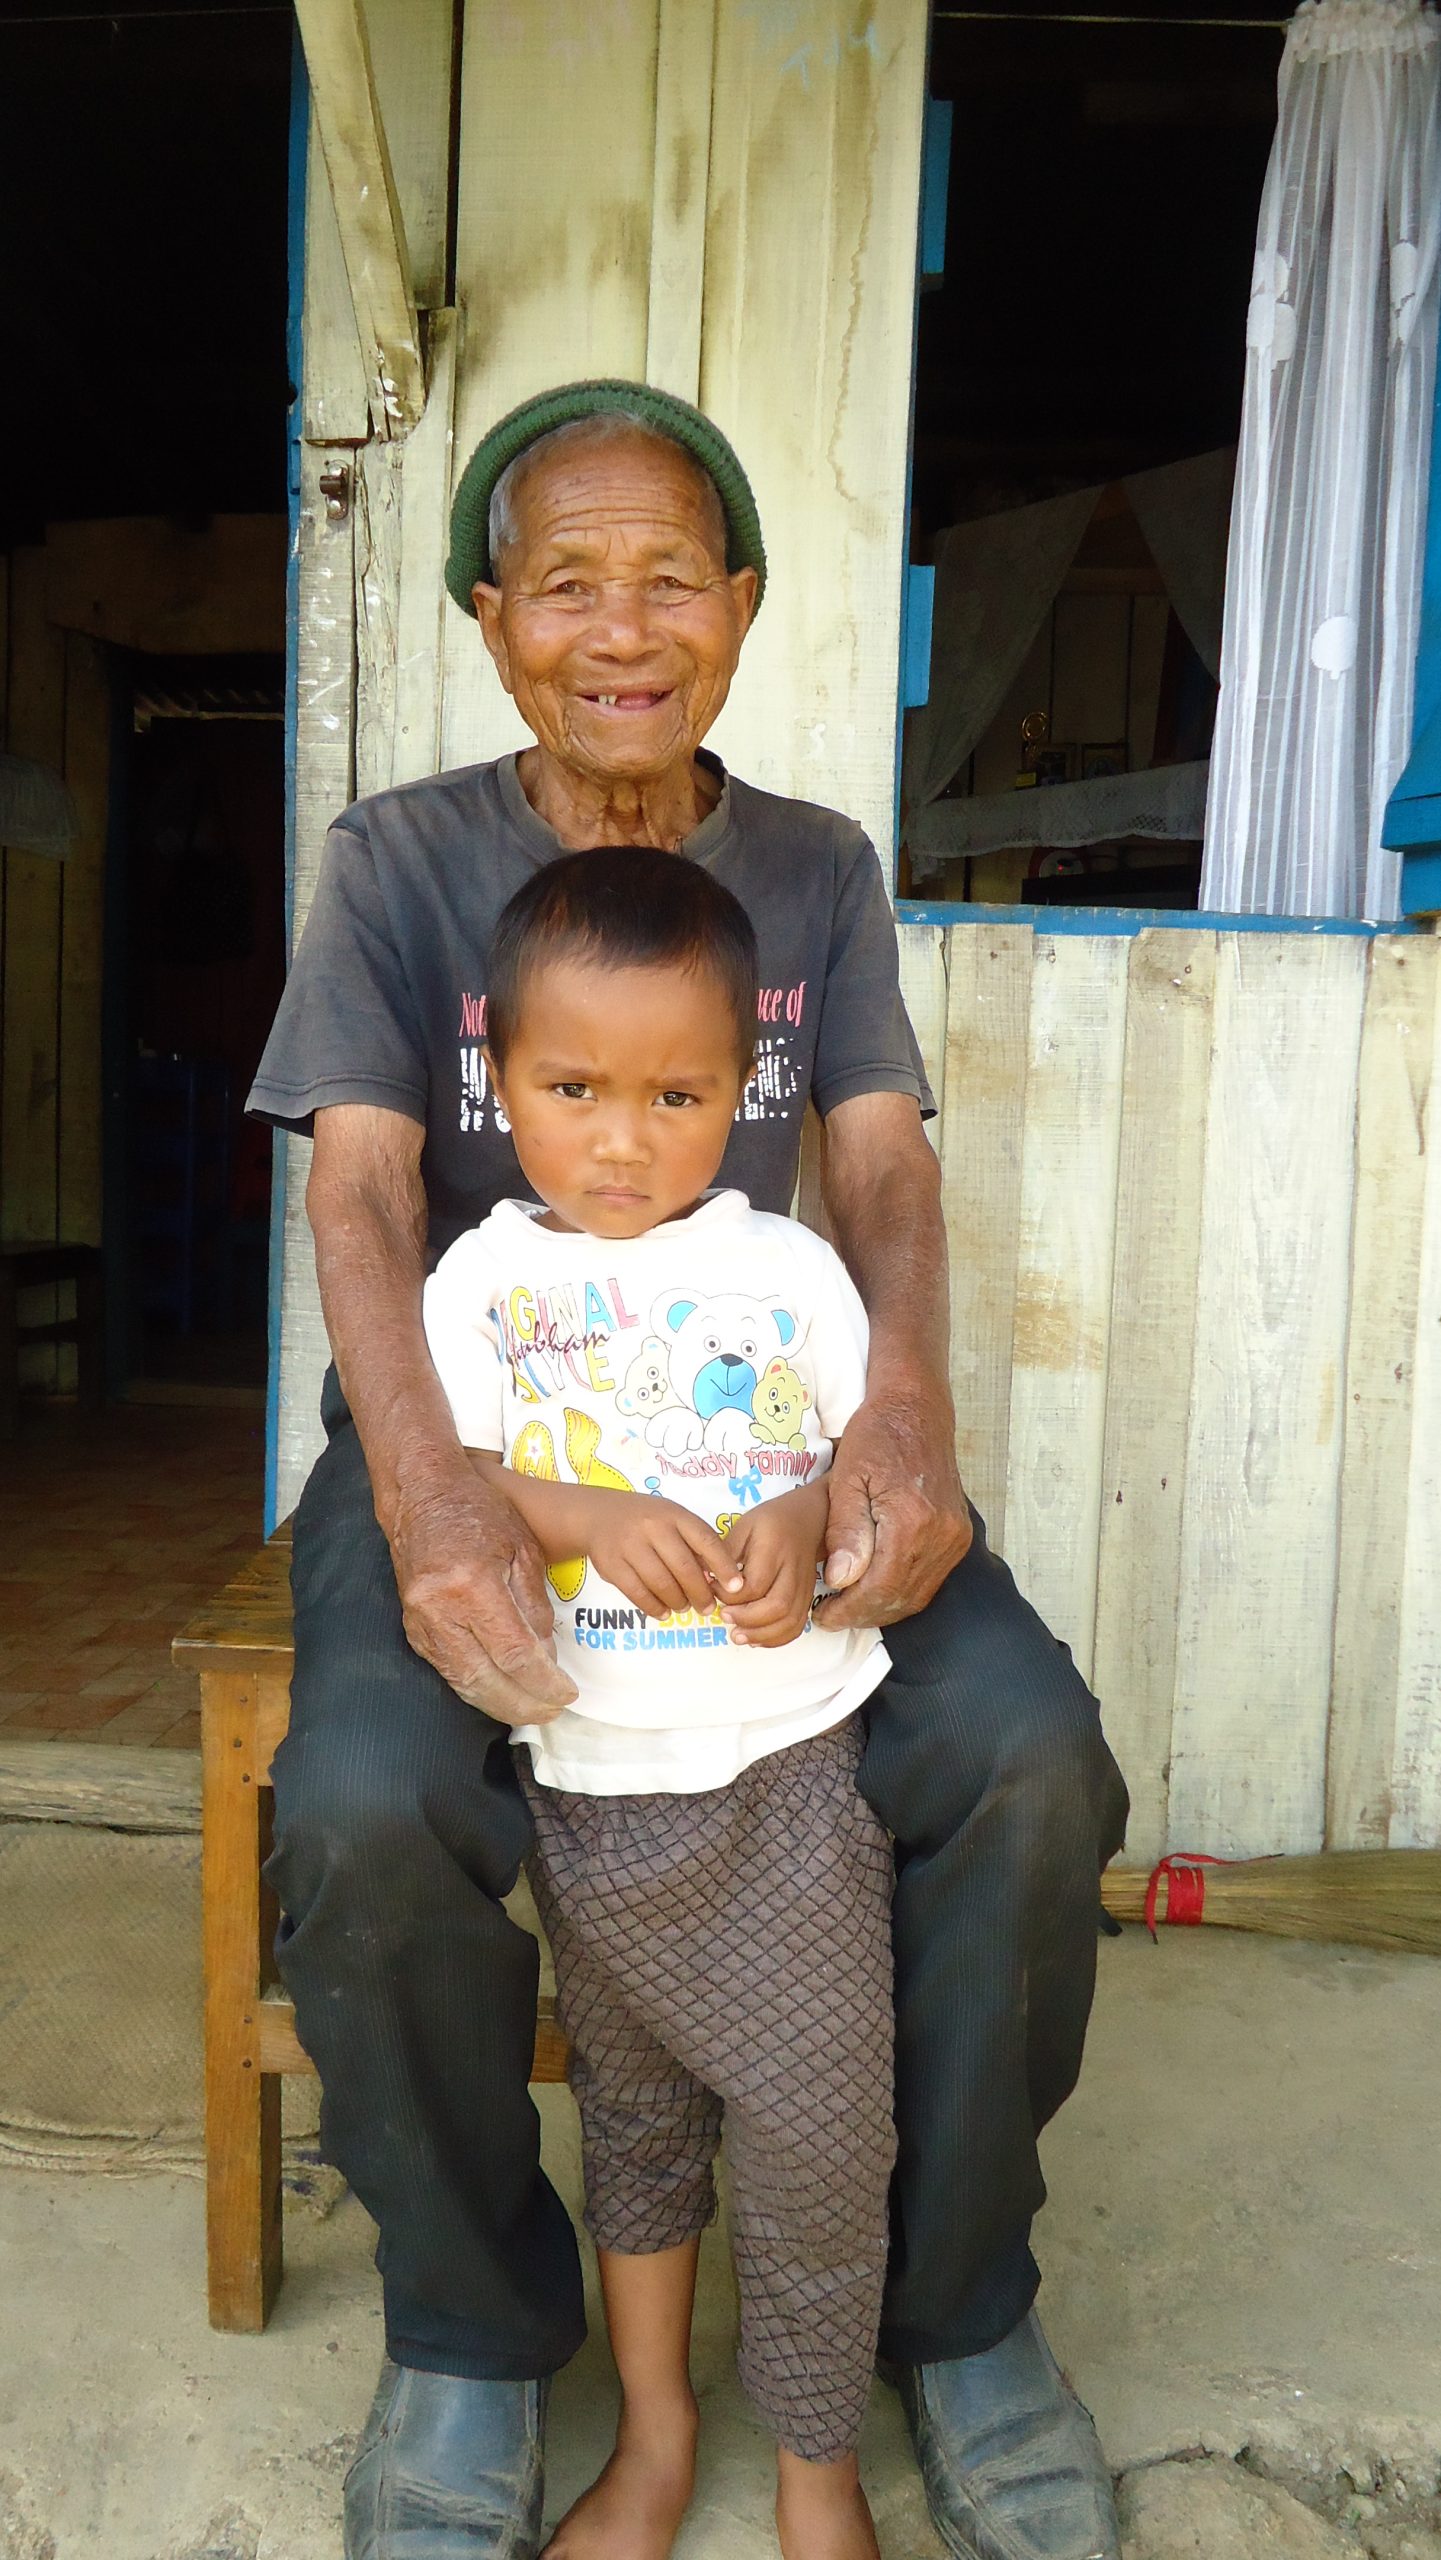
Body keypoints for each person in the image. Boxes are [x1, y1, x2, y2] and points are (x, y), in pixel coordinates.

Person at [248, 377, 1130, 2560]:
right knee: (362, 1799)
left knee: (1028, 1749)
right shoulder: (400, 861)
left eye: (671, 577)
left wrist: (899, 1425)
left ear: (741, 605)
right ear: (487, 617)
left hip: (760, 1454)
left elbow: (880, 1172)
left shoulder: (815, 868)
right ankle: (469, 2330)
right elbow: (357, 1193)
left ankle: (956, 2307)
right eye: (566, 581)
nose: (620, 625)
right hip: (480, 1453)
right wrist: (433, 1486)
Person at [423, 843, 899, 2560]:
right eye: (572, 1088)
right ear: (496, 1083)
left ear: (742, 1092)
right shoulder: (478, 1287)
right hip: (595, 1779)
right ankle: (653, 2436)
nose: (622, 1138)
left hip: (783, 1769)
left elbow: (867, 1452)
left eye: (675, 1093)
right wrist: (577, 1516)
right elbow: (457, 1481)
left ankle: (816, 2466)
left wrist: (794, 1517)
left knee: (821, 2129)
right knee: (634, 2121)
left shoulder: (786, 1272)